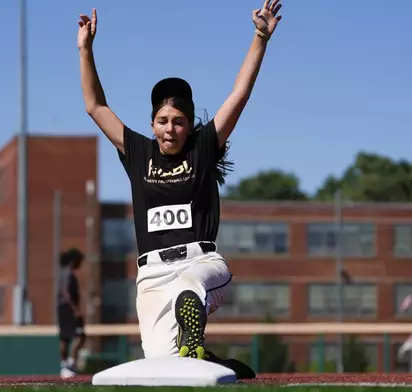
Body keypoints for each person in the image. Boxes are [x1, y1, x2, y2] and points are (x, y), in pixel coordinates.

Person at [77, 0, 282, 379]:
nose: (170, 129)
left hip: (201, 265)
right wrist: (85, 49)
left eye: (179, 122)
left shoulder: (203, 148)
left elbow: (239, 95)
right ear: (152, 123)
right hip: (152, 275)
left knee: (190, 287)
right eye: (163, 121)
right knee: (166, 367)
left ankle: (194, 324)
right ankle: (213, 364)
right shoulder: (138, 152)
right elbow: (95, 105)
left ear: (190, 125)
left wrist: (259, 37)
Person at [57, 248, 86, 379]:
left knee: (65, 337)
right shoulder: (68, 274)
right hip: (68, 309)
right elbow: (66, 293)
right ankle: (70, 364)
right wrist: (76, 310)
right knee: (80, 335)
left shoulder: (61, 273)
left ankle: (64, 366)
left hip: (61, 308)